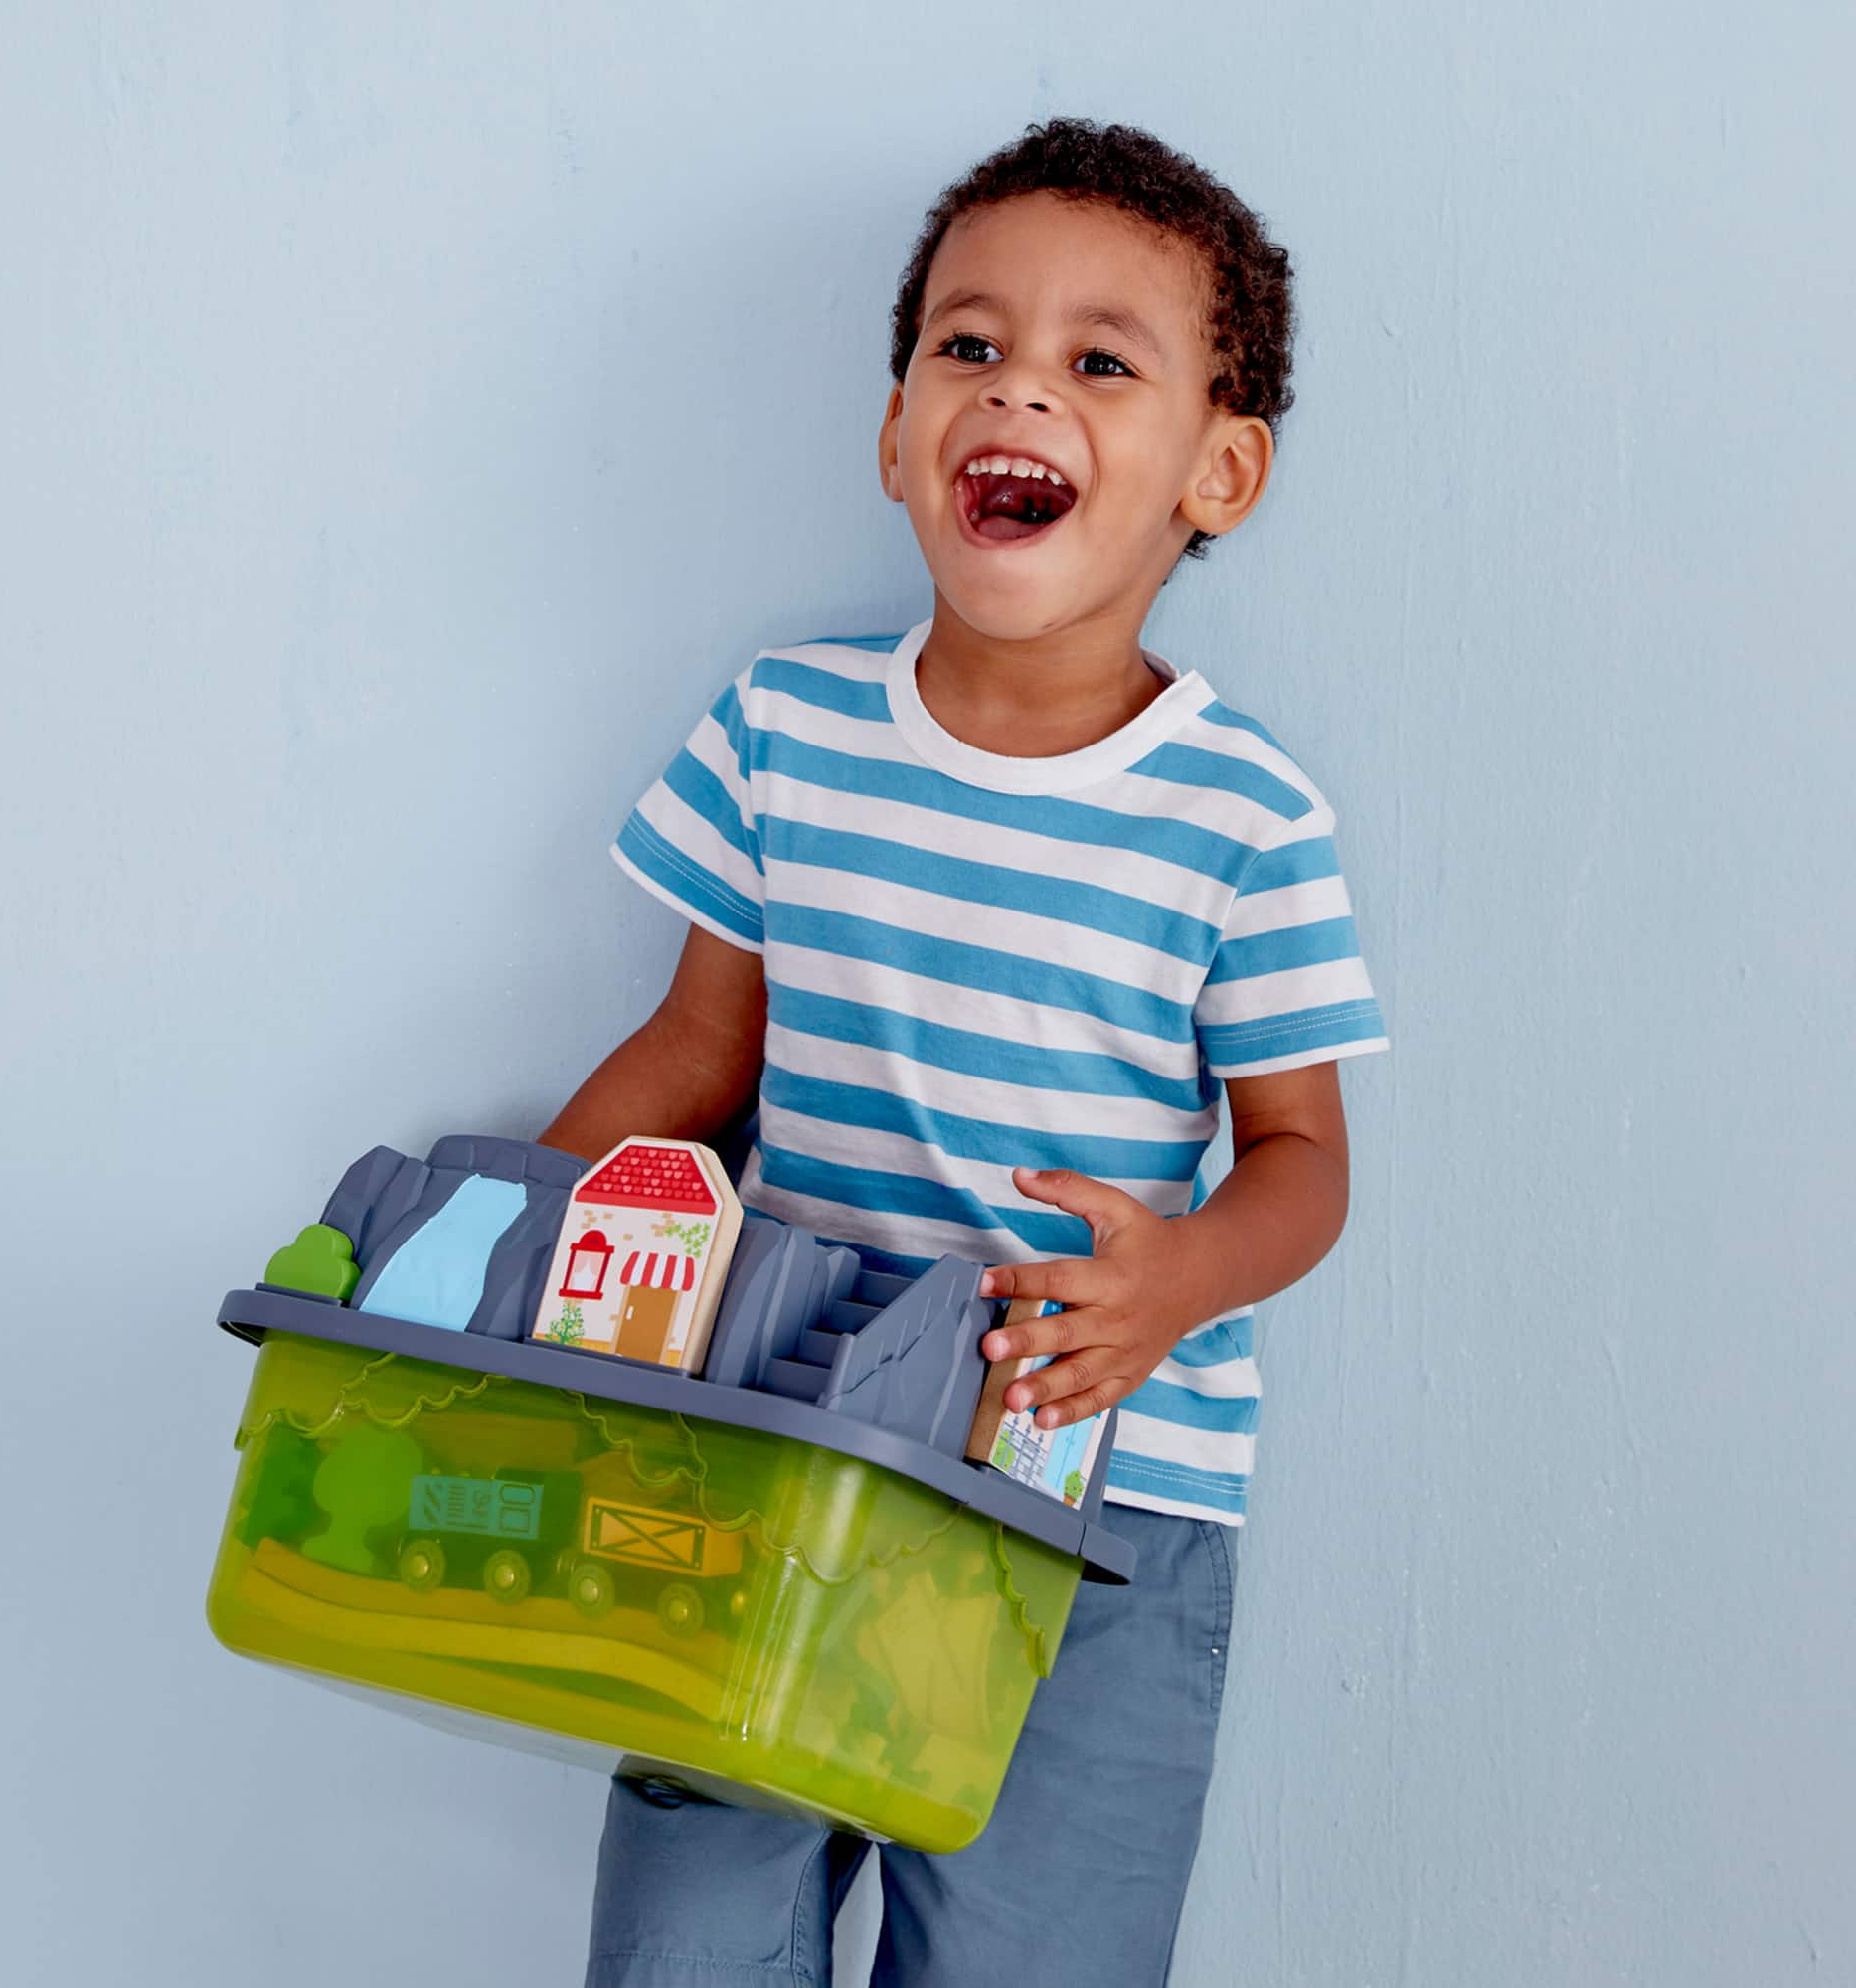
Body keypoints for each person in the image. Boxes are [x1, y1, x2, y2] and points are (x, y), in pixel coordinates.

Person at [538, 114, 1389, 1988]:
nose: (1021, 389)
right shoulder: (782, 728)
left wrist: (1176, 1283)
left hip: (1093, 1501)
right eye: (968, 345)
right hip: (772, 1447)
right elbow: (697, 1047)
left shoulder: (1247, 816)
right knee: (682, 1944)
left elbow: (1305, 1158)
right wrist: (517, 1255)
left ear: (1221, 471)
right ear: (899, 432)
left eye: (1102, 360)